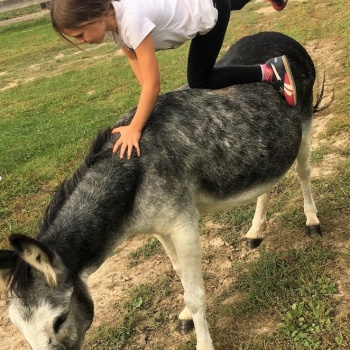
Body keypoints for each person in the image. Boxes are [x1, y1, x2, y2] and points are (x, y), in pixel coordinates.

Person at [50, 0, 296, 159]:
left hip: (208, 11)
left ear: (94, 15)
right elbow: (137, 65)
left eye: (80, 34)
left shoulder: (131, 22)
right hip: (199, 3)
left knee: (200, 78)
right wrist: (146, 98)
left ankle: (269, 71)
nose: (81, 41)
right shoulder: (115, 26)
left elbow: (153, 84)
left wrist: (135, 128)